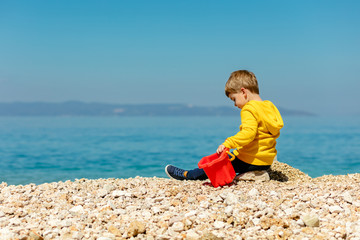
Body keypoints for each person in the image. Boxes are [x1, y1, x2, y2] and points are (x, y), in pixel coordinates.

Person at [165, 70, 284, 181]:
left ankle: (188, 175)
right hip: (266, 160)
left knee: (217, 164)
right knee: (234, 156)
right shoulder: (269, 106)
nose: (235, 104)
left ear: (243, 92)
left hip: (251, 160)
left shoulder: (249, 109)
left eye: (234, 99)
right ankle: (257, 172)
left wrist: (228, 143)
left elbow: (248, 134)